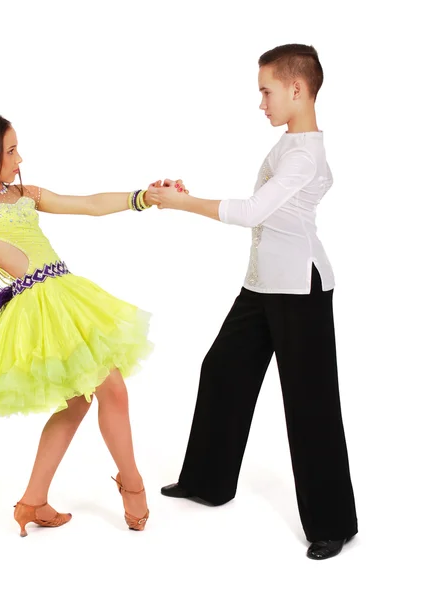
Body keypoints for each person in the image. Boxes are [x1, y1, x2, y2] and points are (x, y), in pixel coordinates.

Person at [0, 111, 187, 537]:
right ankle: (131, 482)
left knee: (78, 402)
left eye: (16, 148)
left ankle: (32, 501)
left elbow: (89, 204)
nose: (19, 158)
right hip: (40, 308)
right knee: (111, 387)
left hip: (66, 294)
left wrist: (144, 196)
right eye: (10, 150)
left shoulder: (25, 193)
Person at [146, 44, 358, 560]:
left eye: (266, 91)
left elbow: (252, 211)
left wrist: (181, 203)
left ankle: (333, 524)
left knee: (310, 404)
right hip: (263, 284)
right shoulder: (290, 145)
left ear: (297, 88)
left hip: (300, 289)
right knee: (222, 370)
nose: (260, 102)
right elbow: (263, 213)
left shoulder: (305, 151)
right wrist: (188, 196)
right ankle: (208, 481)